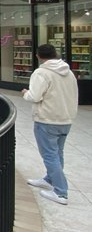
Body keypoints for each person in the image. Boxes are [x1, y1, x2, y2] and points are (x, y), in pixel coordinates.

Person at [22, 44, 78, 205]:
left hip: (47, 119)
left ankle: (61, 192)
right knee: (57, 153)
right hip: (65, 119)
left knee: (49, 155)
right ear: (55, 54)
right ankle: (49, 179)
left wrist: (26, 93)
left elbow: (35, 96)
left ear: (38, 56)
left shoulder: (41, 73)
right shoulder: (68, 72)